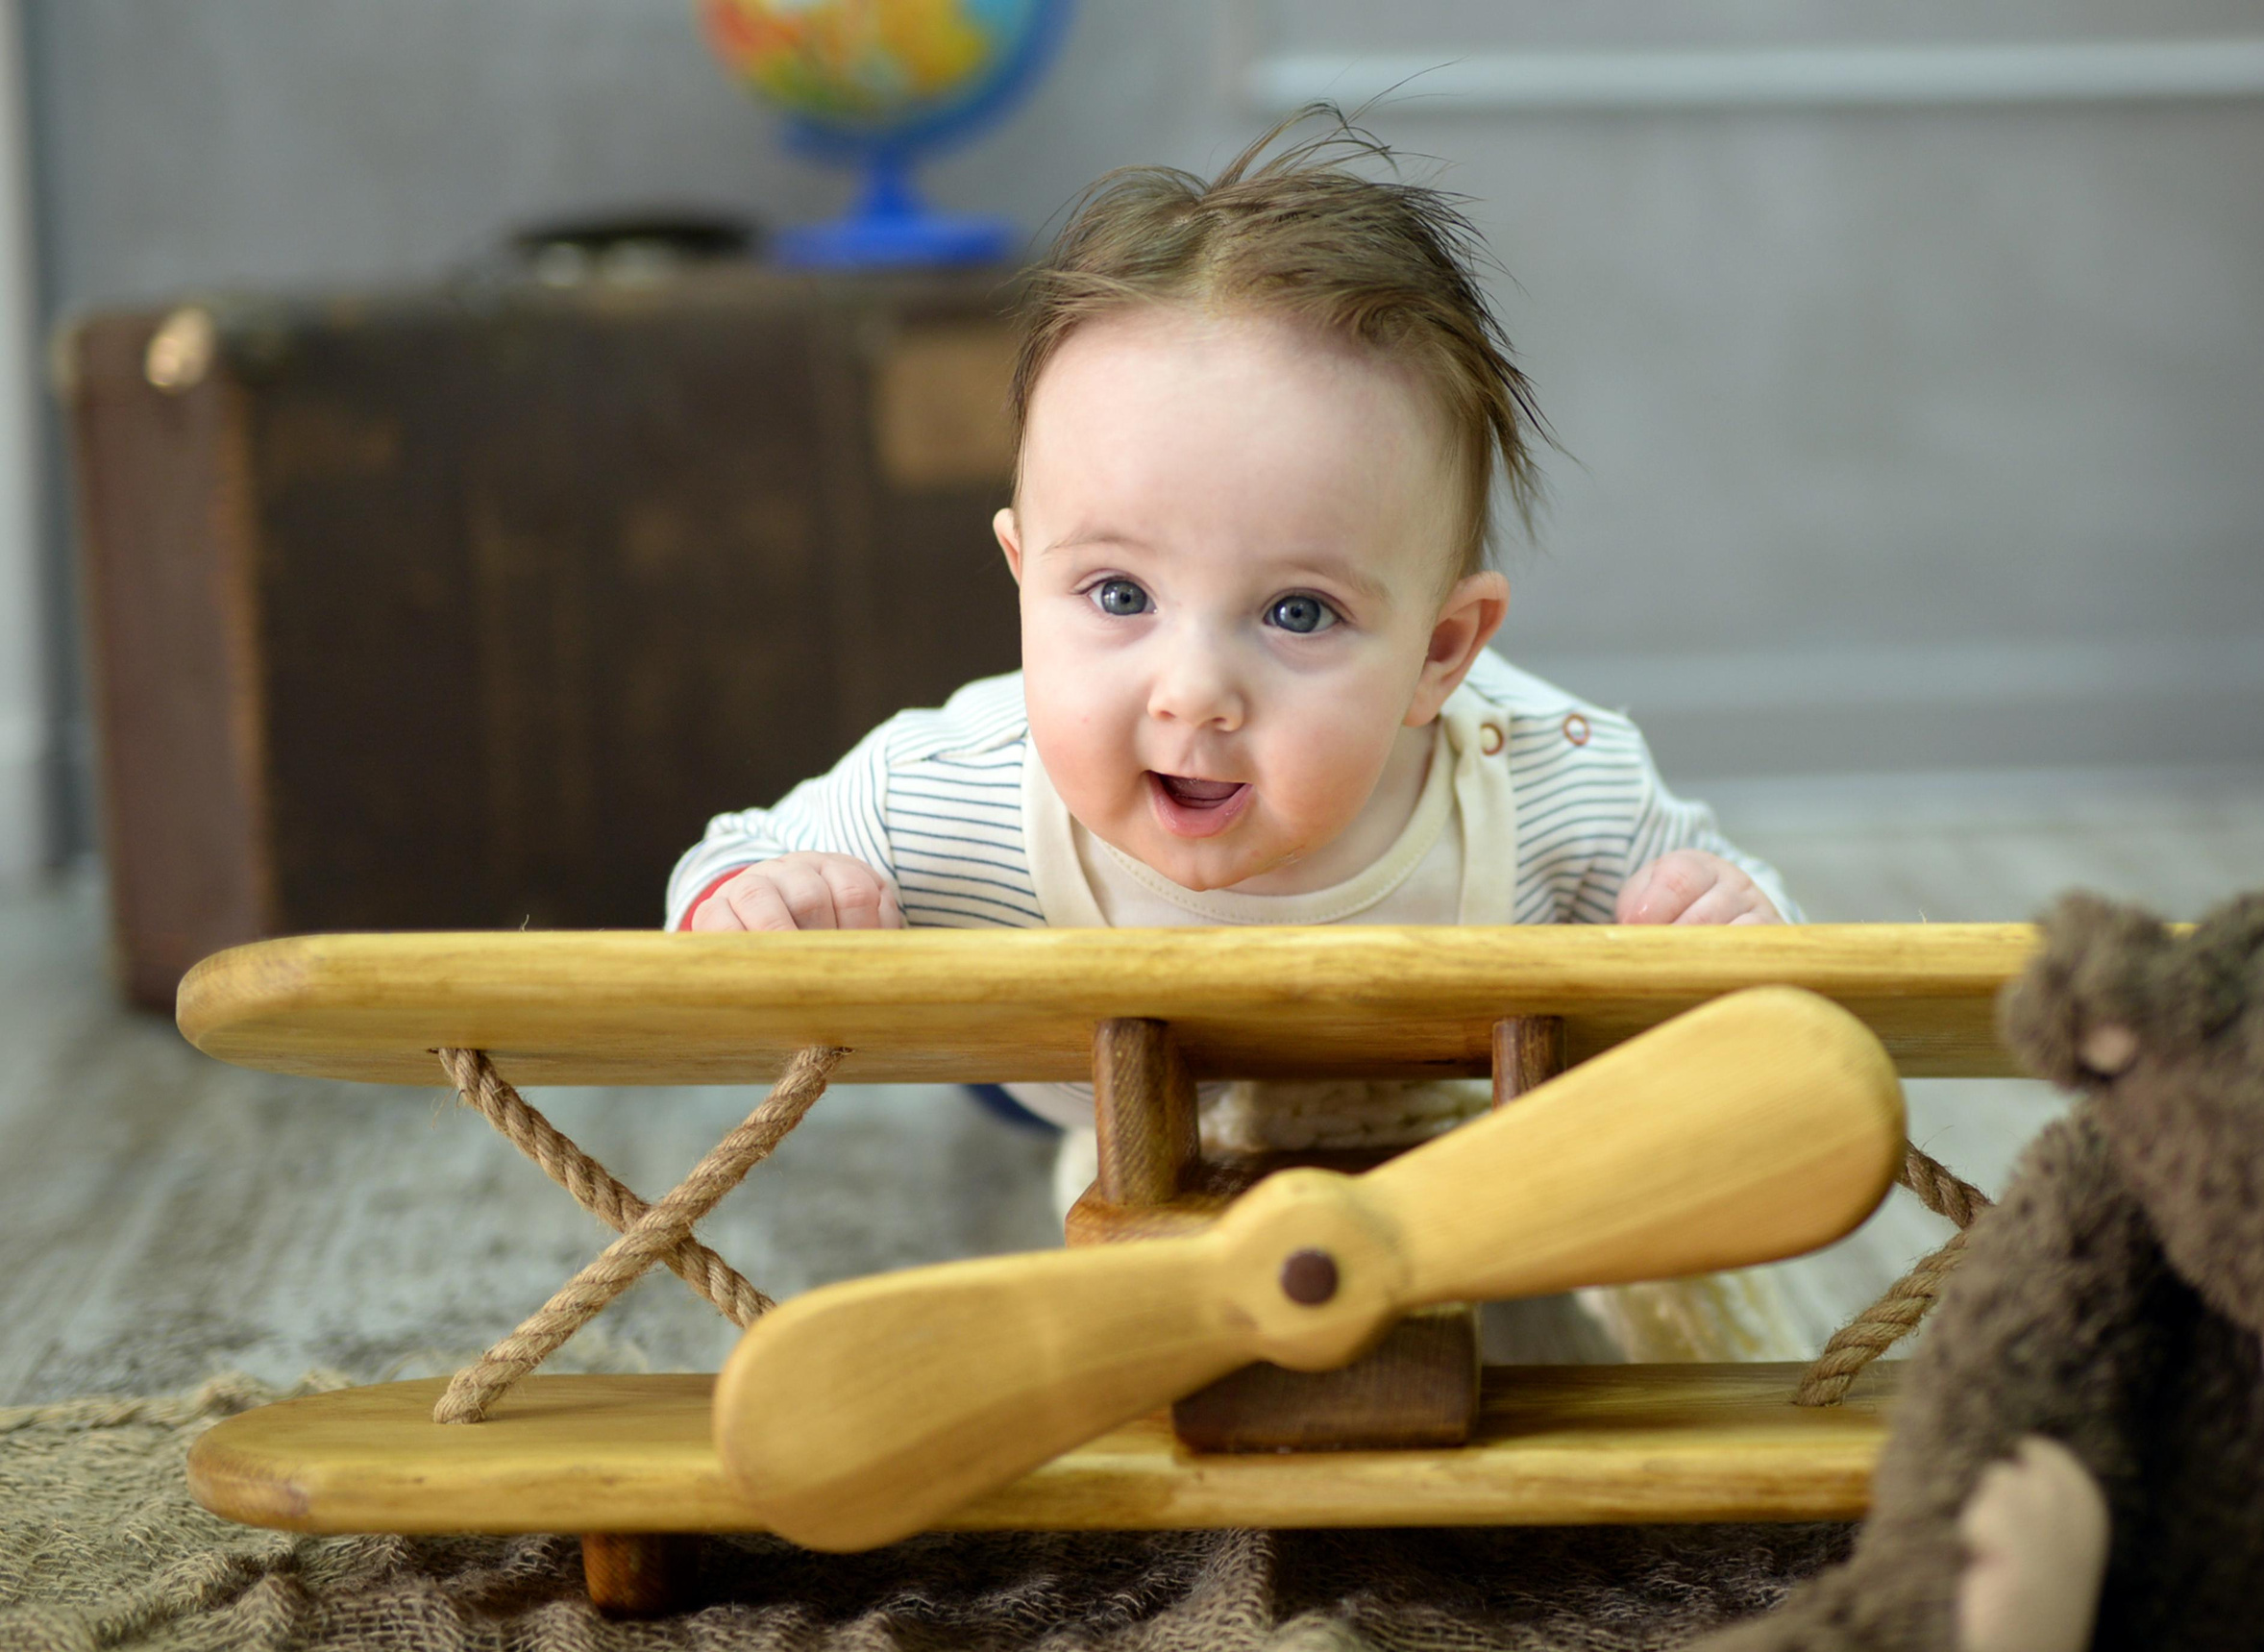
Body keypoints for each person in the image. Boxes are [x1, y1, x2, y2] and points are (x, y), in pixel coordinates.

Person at [666, 119, 1810, 1360]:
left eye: (1298, 612)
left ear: (1441, 652)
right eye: (1117, 596)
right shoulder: (948, 787)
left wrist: (1722, 918)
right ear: (1019, 576)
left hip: (1437, 1109)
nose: (1195, 692)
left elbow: (1767, 952)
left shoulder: (1547, 780)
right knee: (1041, 1124)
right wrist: (757, 899)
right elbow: (725, 867)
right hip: (1066, 1050)